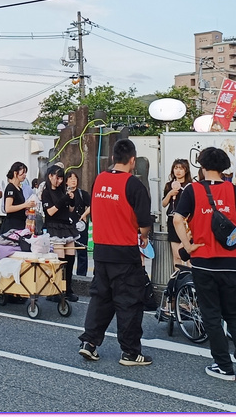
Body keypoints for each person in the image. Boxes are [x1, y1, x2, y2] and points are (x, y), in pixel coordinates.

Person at [172, 147, 236, 381]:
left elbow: (178, 219)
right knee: (234, 314)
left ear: (202, 165)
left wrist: (187, 245)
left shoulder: (193, 190)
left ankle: (224, 366)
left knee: (211, 315)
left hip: (203, 260)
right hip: (230, 261)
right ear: (224, 166)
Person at [77, 139, 154, 366]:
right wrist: (145, 236)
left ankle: (89, 343)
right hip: (125, 252)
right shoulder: (134, 185)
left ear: (112, 158)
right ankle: (130, 352)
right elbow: (144, 222)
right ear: (132, 161)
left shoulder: (99, 180)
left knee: (101, 299)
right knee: (129, 302)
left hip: (101, 251)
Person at [41, 165, 79, 302]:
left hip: (66, 226)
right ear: (50, 176)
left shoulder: (63, 190)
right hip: (53, 226)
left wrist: (72, 200)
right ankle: (57, 290)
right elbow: (50, 212)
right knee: (60, 260)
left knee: (71, 257)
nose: (59, 181)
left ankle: (68, 288)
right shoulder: (46, 192)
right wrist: (63, 200)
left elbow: (70, 210)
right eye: (57, 178)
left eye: (61, 178)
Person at [161, 158, 192, 268]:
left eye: (181, 168)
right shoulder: (169, 185)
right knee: (176, 255)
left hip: (186, 223)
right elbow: (164, 204)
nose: (178, 171)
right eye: (176, 168)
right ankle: (178, 280)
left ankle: (190, 280)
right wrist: (170, 194)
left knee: (188, 254)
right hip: (172, 220)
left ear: (186, 170)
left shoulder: (190, 186)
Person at [67, 171, 92, 276]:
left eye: (75, 178)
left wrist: (85, 214)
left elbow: (92, 205)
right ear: (66, 181)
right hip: (67, 227)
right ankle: (68, 275)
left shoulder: (82, 194)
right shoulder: (63, 194)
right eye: (71, 178)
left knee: (82, 252)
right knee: (68, 253)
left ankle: (81, 277)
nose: (73, 180)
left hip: (81, 226)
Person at [2, 162, 34, 232]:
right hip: (12, 225)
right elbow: (8, 208)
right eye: (23, 173)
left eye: (25, 173)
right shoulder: (11, 187)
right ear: (15, 173)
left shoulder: (20, 189)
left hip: (20, 224)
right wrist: (24, 205)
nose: (24, 175)